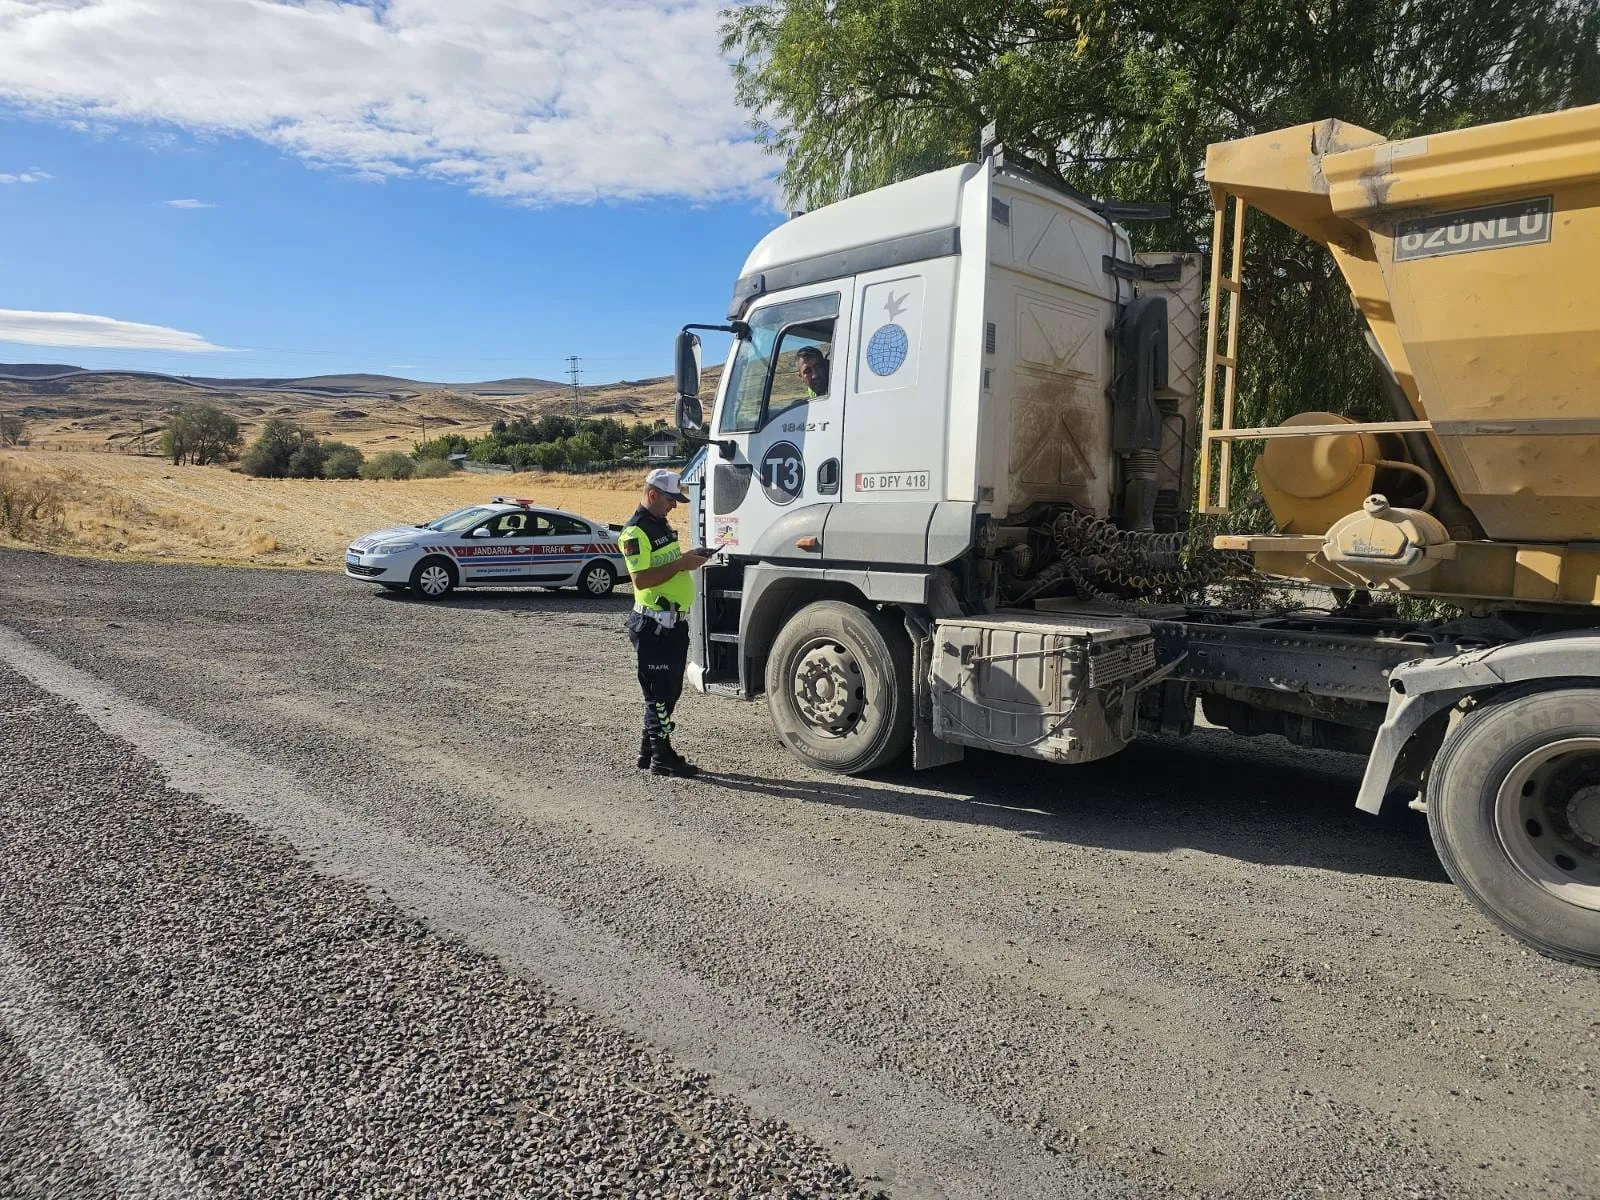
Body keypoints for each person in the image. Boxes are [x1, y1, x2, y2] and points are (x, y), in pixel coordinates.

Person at [618, 468, 711, 777]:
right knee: (659, 694)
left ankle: (648, 752)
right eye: (671, 500)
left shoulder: (660, 525)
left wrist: (690, 557)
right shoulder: (635, 533)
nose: (674, 506)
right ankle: (662, 757)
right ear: (653, 494)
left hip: (670, 624)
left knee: (667, 692)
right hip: (654, 626)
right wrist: (681, 563)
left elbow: (668, 566)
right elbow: (641, 580)